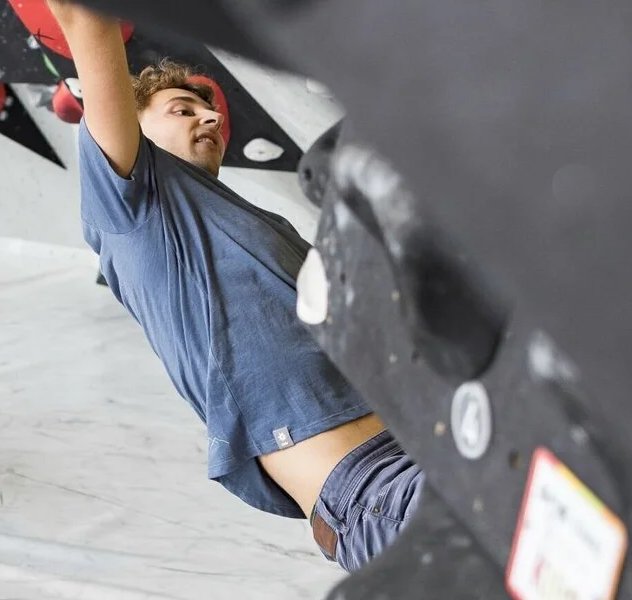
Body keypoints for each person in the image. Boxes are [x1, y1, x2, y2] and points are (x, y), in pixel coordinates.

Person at [49, 0, 422, 571]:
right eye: (181, 109)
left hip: (427, 447)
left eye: (210, 110)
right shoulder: (132, 207)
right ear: (132, 121)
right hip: (375, 487)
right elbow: (84, 19)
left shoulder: (262, 227)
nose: (211, 118)